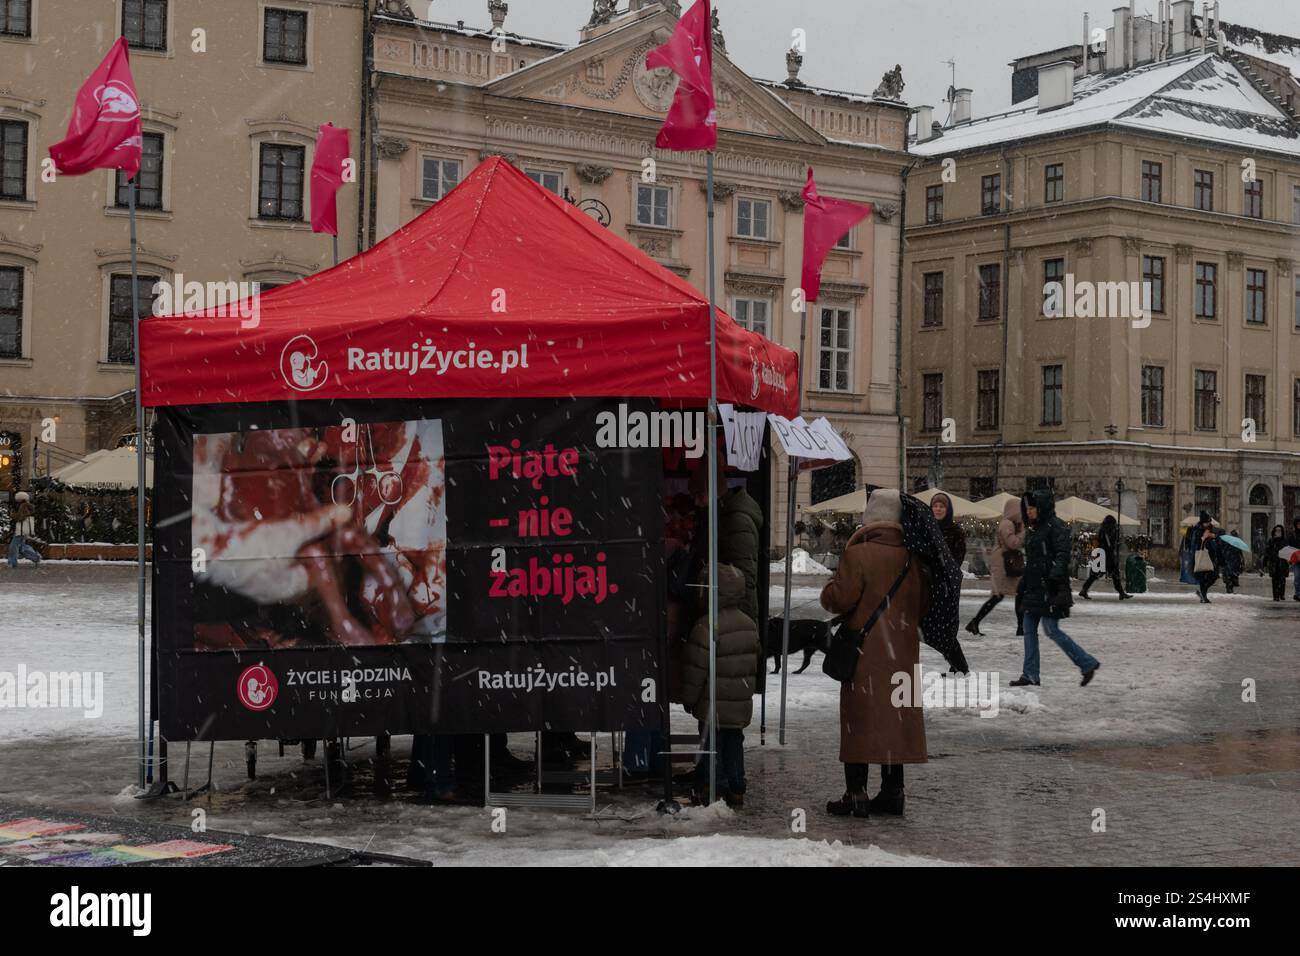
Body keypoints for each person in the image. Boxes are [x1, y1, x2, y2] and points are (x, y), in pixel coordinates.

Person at [819, 488, 930, 818]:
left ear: (871, 517)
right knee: (894, 721)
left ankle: (856, 794)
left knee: (860, 720)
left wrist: (829, 589)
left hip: (866, 653)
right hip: (903, 655)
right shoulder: (915, 556)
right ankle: (893, 792)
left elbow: (838, 599)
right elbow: (923, 605)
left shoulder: (859, 553)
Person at [679, 564, 759, 808]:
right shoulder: (749, 623)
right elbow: (754, 661)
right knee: (734, 742)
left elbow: (696, 668)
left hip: (712, 701)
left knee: (709, 745)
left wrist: (689, 699)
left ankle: (710, 787)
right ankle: (736, 787)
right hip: (738, 701)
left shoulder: (707, 625)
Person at [1011, 490, 1100, 688]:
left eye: (1032, 508)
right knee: (1028, 630)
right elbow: (1033, 559)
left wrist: (1053, 576)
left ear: (1041, 507)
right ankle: (1030, 674)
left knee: (1051, 630)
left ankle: (1087, 663)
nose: (1029, 512)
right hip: (1034, 588)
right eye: (1027, 509)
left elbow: (1063, 555)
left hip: (1051, 588)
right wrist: (1024, 583)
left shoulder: (1056, 526)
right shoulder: (1034, 529)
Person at [966, 496, 1024, 636]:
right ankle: (975, 622)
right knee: (1000, 595)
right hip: (1003, 564)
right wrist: (1023, 533)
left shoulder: (1010, 523)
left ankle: (1020, 628)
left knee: (1015, 594)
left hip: (1005, 563)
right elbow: (1013, 543)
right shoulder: (1007, 524)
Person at [1079, 515, 1131, 600]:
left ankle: (1084, 589)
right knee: (1114, 574)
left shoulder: (1103, 529)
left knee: (1096, 574)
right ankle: (1121, 593)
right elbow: (1110, 542)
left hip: (1102, 554)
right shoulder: (1109, 530)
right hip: (1107, 555)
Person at [929, 492, 966, 570]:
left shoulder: (956, 531)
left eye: (942, 506)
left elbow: (959, 556)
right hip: (925, 574)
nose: (938, 509)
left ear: (948, 510)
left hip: (947, 575)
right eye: (935, 506)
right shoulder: (926, 528)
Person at [7, 491, 41, 569]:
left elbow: (21, 517)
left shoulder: (23, 506)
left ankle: (12, 563)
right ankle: (36, 557)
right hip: (24, 530)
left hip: (21, 530)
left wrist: (12, 515)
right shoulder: (26, 505)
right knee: (22, 546)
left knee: (13, 546)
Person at [1191, 512, 1220, 603]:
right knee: (1202, 578)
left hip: (1211, 556)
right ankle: (1204, 596)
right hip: (1201, 557)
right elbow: (1195, 544)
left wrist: (1213, 536)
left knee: (1214, 575)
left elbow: (1219, 535)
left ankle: (1202, 594)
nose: (1208, 524)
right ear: (1202, 522)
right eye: (1206, 522)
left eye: (1209, 522)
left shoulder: (1212, 529)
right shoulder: (1197, 530)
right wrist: (1203, 538)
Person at [1264, 524, 1290, 602]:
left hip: (1283, 562)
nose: (1278, 532)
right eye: (1277, 530)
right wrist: (1265, 562)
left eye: (1279, 530)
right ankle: (1275, 595)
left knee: (1282, 579)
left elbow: (1288, 551)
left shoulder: (1285, 540)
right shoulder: (1271, 541)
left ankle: (1281, 594)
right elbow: (1267, 552)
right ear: (1274, 532)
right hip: (1274, 562)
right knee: (1275, 580)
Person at [1220, 530, 1243, 594]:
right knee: (1232, 574)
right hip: (1234, 560)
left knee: (1229, 574)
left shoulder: (1227, 541)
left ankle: (1229, 587)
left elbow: (1223, 550)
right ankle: (1230, 587)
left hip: (1229, 560)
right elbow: (1240, 553)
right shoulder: (1237, 542)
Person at [1287, 518, 1300, 602]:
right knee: (1297, 577)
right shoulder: (1292, 535)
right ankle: (1298, 593)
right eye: (1298, 524)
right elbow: (1289, 546)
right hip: (1296, 559)